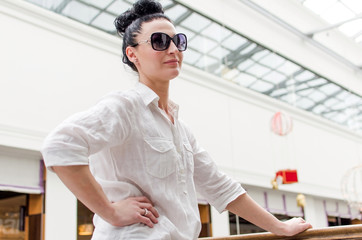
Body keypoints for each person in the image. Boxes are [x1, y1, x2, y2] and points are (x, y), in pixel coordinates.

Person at [41, 0, 312, 239]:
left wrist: (279, 226)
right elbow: (60, 145)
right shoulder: (125, 107)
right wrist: (110, 211)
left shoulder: (179, 129)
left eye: (178, 40)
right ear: (132, 54)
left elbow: (220, 186)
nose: (172, 49)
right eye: (159, 41)